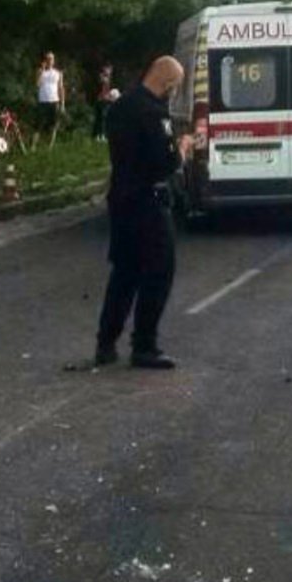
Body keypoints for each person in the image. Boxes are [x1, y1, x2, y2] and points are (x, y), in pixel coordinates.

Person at [96, 56, 184, 370]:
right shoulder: (154, 111)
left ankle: (105, 343)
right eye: (175, 86)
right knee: (159, 271)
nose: (174, 92)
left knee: (124, 273)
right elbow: (166, 161)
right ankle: (145, 345)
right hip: (149, 199)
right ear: (167, 83)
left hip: (121, 198)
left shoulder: (120, 107)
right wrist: (182, 148)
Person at [35, 51, 64, 145]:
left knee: (53, 125)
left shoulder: (58, 73)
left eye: (51, 59)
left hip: (54, 101)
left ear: (54, 61)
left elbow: (61, 88)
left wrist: (62, 103)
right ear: (45, 60)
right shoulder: (40, 71)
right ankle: (33, 146)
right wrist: (42, 70)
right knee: (39, 125)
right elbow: (37, 84)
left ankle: (49, 147)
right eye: (47, 59)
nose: (49, 61)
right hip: (43, 101)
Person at [90, 63, 117, 140]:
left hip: (106, 100)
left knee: (103, 118)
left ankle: (101, 134)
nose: (109, 71)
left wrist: (110, 96)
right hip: (101, 100)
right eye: (108, 69)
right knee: (101, 118)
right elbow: (100, 89)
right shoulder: (102, 78)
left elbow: (108, 90)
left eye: (110, 70)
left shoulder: (109, 79)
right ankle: (98, 135)